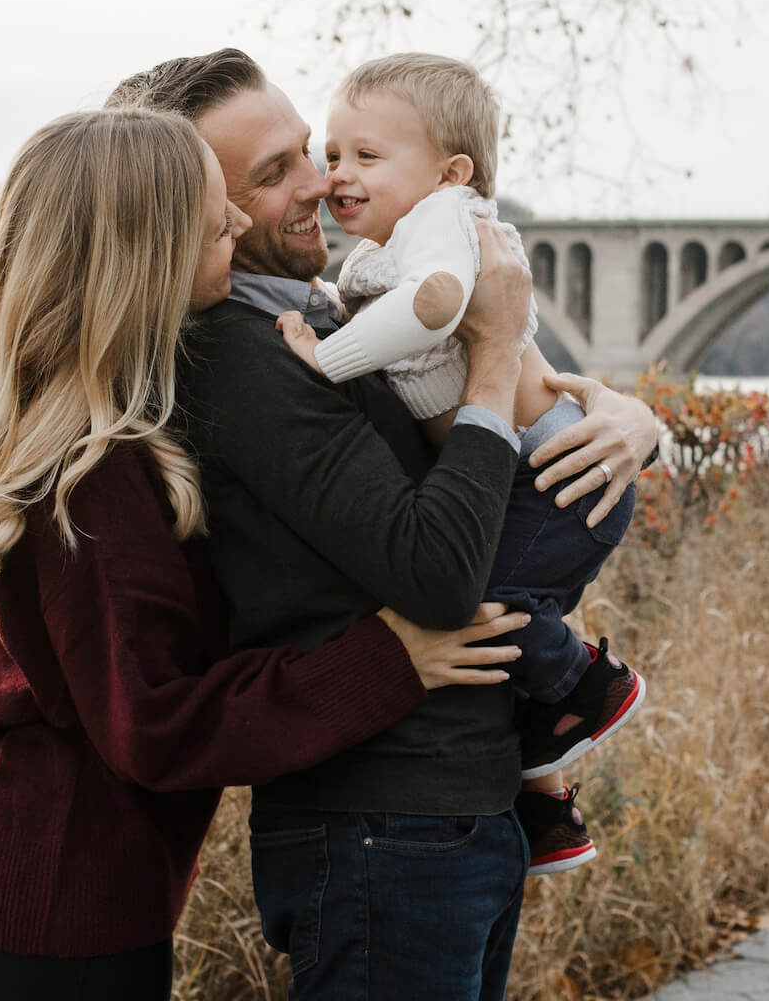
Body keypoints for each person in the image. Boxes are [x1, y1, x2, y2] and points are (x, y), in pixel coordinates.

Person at [0, 107, 530, 1001]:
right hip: (53, 870)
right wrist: (387, 660)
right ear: (150, 250)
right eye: (217, 217)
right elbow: (154, 723)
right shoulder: (87, 471)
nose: (239, 227)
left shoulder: (129, 410)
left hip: (87, 861)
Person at [103, 51, 661, 1000]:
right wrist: (491, 353)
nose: (320, 183)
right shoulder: (248, 358)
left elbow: (484, 457)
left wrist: (623, 423)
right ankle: (578, 696)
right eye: (269, 174)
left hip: (446, 816)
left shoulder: (324, 316)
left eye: (307, 155)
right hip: (382, 828)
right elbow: (440, 568)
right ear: (202, 210)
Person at [275, 52, 647, 877]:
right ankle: (545, 811)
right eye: (333, 155)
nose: (338, 175)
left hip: (554, 475)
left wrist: (321, 363)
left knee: (479, 603)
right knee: (493, 647)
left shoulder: (446, 221)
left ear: (450, 172)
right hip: (534, 469)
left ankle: (590, 683)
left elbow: (434, 306)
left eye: (367, 157)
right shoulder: (385, 247)